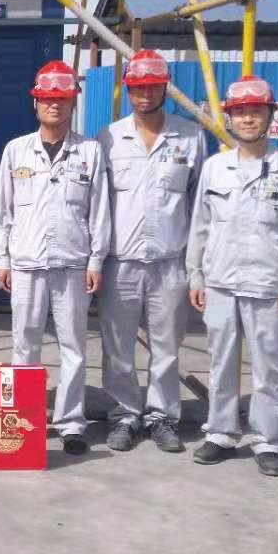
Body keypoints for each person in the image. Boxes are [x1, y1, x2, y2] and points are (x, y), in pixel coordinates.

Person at [186, 75, 278, 478]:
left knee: (268, 369)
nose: (247, 119)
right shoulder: (215, 168)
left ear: (270, 116)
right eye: (240, 112)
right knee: (221, 364)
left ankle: (269, 441)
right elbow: (200, 226)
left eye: (256, 111)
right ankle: (221, 434)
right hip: (221, 282)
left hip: (267, 285)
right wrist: (195, 275)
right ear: (229, 118)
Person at [0, 60, 110, 456]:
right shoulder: (16, 150)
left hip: (72, 264)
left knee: (73, 345)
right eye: (47, 98)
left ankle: (71, 422)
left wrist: (96, 260)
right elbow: (3, 211)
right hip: (26, 263)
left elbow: (99, 210)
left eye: (62, 98)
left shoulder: (90, 151)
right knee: (23, 345)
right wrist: (3, 259)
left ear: (73, 102)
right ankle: (23, 416)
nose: (54, 105)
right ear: (35, 102)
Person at [96, 51, 206, 454]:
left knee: (166, 347)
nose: (145, 94)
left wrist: (197, 268)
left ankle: (162, 417)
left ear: (165, 87)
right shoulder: (109, 138)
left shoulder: (191, 137)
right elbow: (98, 204)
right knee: (118, 347)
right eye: (138, 88)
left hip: (170, 263)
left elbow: (199, 206)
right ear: (128, 90)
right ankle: (124, 415)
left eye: (153, 87)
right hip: (120, 263)